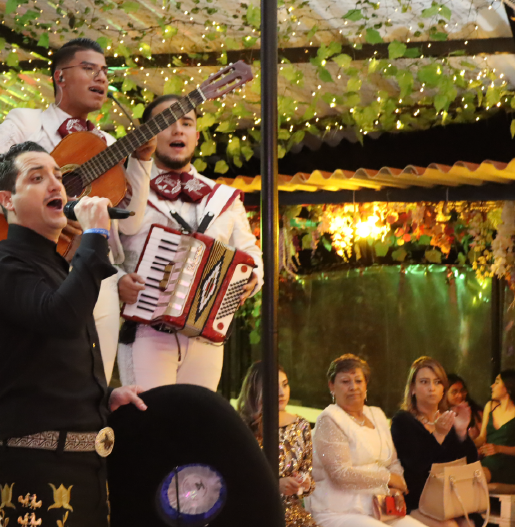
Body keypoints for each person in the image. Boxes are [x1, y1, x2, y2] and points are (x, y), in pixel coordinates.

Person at [0, 38, 154, 384]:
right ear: (60, 77)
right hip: (35, 268)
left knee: (96, 381)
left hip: (94, 271)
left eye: (105, 71)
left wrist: (143, 160)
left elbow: (130, 223)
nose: (101, 78)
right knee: (39, 379)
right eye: (89, 69)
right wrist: (31, 215)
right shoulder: (25, 123)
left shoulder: (104, 142)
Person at [0, 142, 147, 527]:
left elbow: (52, 358)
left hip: (89, 466)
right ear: (7, 200)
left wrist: (103, 397)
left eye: (57, 176)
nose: (56, 184)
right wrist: (94, 236)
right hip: (38, 467)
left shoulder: (60, 269)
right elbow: (60, 318)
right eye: (36, 178)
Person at [116, 94, 263, 391]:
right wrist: (118, 280)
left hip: (205, 334)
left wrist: (253, 277)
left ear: (196, 136)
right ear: (147, 134)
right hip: (145, 329)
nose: (178, 130)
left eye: (186, 123)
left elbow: (250, 252)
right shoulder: (123, 189)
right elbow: (101, 251)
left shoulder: (223, 197)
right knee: (152, 414)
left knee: (198, 416)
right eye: (166, 123)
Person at [309, 354, 425, 527]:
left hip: (379, 508)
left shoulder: (377, 415)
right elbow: (341, 475)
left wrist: (396, 489)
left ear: (366, 385)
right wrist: (387, 479)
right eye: (345, 381)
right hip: (338, 511)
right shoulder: (329, 419)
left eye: (358, 381)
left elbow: (393, 462)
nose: (353, 387)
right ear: (331, 386)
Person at [391, 357, 477, 527]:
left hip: (451, 498)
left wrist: (461, 433)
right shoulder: (403, 421)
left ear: (443, 388)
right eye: (424, 382)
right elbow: (416, 465)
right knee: (449, 525)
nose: (432, 388)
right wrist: (438, 435)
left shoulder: (448, 419)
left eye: (437, 382)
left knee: (469, 523)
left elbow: (470, 464)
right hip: (417, 500)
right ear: (413, 388)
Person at [237, 362, 318, 527]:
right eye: (274, 386)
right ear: (256, 389)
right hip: (254, 515)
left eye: (285, 384)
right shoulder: (241, 426)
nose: (282, 392)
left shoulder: (300, 425)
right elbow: (236, 481)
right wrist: (276, 485)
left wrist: (303, 482)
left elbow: (308, 476)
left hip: (293, 515)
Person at [475, 370, 515, 483]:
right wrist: (467, 444)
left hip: (509, 463)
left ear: (508, 386)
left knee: (476, 476)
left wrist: (499, 448)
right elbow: (482, 438)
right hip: (489, 462)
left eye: (497, 382)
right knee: (464, 474)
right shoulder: (490, 406)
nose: (492, 386)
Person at [446, 374, 483, 440]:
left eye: (462, 391)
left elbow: (483, 438)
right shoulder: (439, 415)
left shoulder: (476, 413)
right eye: (454, 392)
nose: (460, 395)